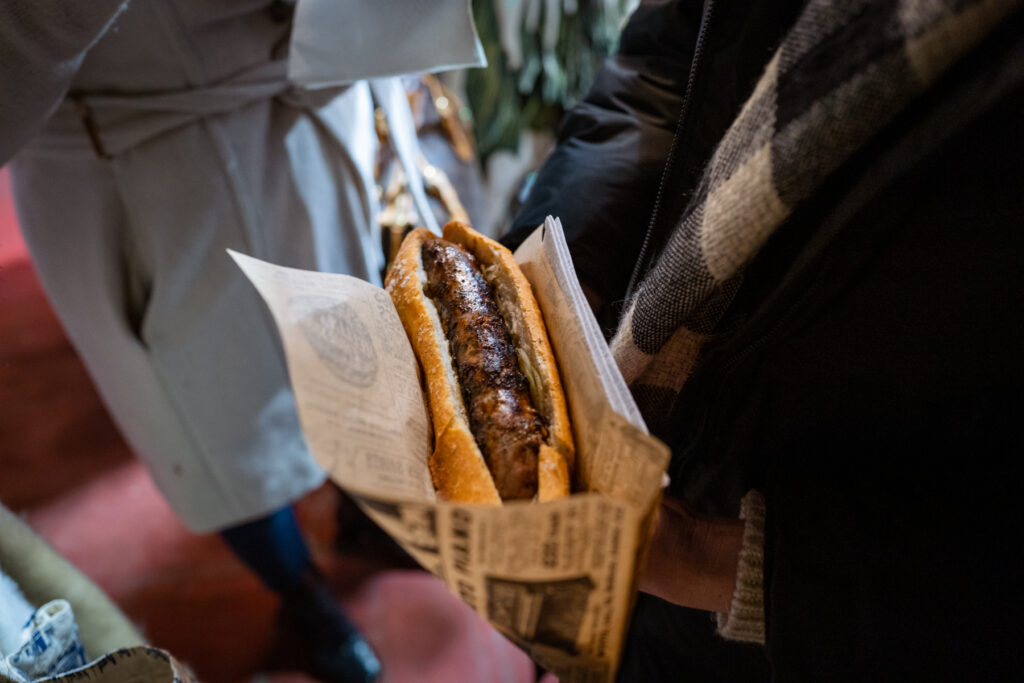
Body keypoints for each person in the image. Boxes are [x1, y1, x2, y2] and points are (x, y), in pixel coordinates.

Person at [507, 0, 1024, 679]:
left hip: (804, 630)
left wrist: (731, 562)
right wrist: (553, 280)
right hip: (653, 474)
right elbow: (662, 65)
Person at [0, 2, 478, 681]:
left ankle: (369, 513)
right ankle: (300, 590)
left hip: (306, 104)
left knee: (360, 369)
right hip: (137, 174)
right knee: (222, 448)